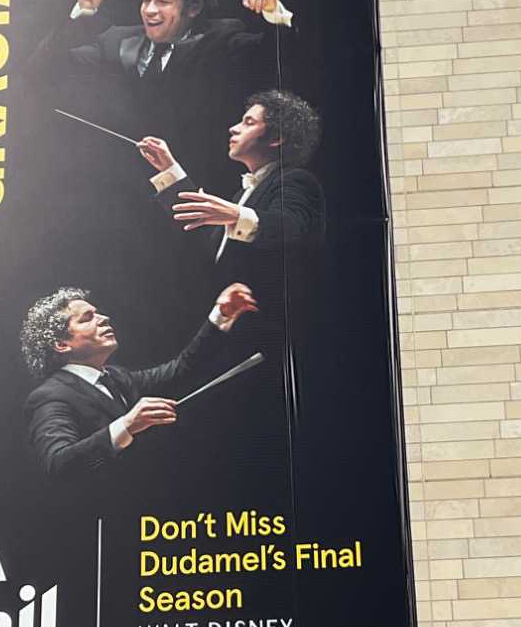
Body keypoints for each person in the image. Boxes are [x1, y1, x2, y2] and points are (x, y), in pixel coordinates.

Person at [19, 282, 258, 481]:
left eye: (98, 313)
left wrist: (220, 316)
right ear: (61, 344)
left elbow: (181, 370)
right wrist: (127, 425)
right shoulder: (49, 396)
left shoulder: (117, 377)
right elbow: (58, 464)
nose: (104, 318)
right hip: (107, 519)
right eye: (87, 318)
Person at [136, 90, 325, 265]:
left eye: (249, 123)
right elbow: (203, 233)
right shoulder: (242, 195)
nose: (233, 128)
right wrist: (169, 168)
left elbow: (293, 228)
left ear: (276, 137)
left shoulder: (297, 180)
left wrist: (236, 215)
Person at [41, 0, 286, 85]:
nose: (149, 10)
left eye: (163, 1)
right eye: (146, 0)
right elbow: (45, 66)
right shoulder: (116, 40)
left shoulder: (221, 40)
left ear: (193, 7)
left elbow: (283, 58)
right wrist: (84, 12)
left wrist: (274, 12)